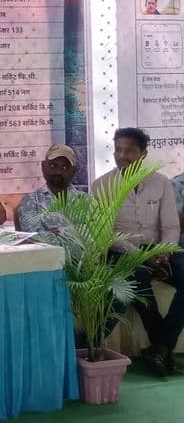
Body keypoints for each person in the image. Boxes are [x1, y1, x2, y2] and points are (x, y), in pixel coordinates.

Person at [92, 127, 183, 375]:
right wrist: (140, 255)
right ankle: (161, 346)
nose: (122, 156)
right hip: (123, 251)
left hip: (159, 249)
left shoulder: (161, 183)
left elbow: (171, 226)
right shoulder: (102, 185)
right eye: (118, 150)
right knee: (139, 274)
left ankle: (160, 346)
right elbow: (107, 235)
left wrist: (164, 253)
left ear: (143, 154)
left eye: (129, 151)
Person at [17, 144, 85, 243]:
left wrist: (57, 232)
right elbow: (33, 239)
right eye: (53, 165)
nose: (58, 172)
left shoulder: (85, 201)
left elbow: (94, 238)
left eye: (65, 167)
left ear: (73, 171)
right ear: (43, 166)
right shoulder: (31, 201)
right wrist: (75, 233)